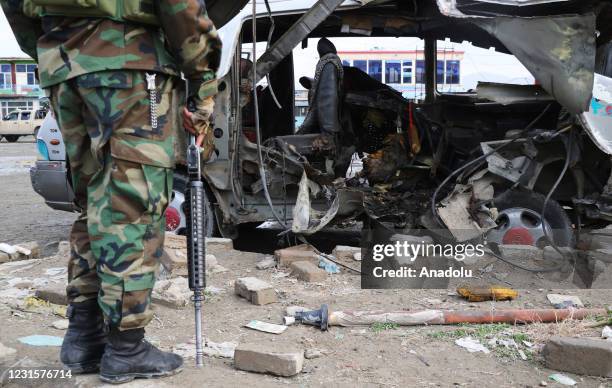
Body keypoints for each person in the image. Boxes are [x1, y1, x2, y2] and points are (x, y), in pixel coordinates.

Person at [0, 0, 221, 383]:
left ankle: (84, 338)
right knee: (132, 206)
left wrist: (54, 50)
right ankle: (126, 348)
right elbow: (179, 6)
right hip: (131, 67)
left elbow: (15, 7)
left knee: (95, 204)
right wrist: (203, 80)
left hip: (63, 69)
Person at [297, 38, 344, 136]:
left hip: (327, 128)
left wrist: (328, 131)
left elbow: (327, 98)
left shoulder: (329, 64)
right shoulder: (331, 64)